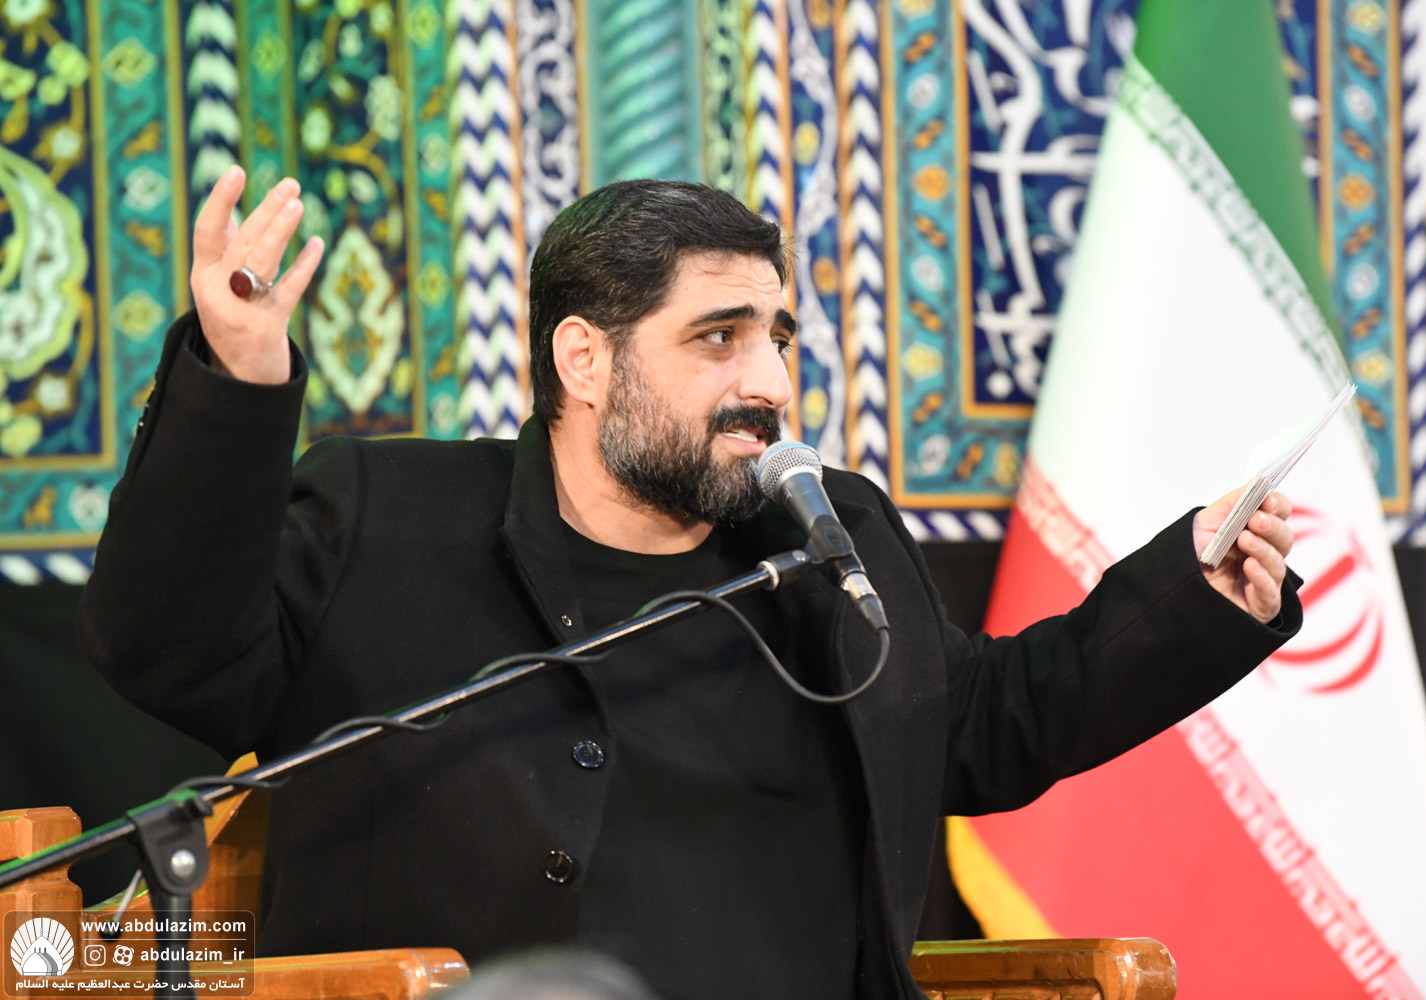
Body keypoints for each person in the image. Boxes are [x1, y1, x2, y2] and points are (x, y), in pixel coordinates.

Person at [79, 167, 1301, 1000]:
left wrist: (1198, 588)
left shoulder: (827, 540)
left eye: (778, 337)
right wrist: (235, 383)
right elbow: (171, 651)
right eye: (719, 338)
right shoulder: (384, 520)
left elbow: (985, 722)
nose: (769, 381)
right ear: (585, 359)